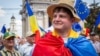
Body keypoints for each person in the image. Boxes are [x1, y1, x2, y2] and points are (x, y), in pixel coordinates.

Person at [32, 0, 97, 56]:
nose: (56, 19)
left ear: (72, 20)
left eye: (62, 16)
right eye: (54, 16)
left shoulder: (83, 44)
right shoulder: (43, 43)